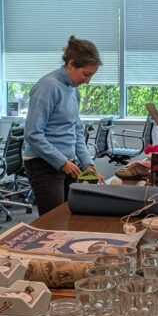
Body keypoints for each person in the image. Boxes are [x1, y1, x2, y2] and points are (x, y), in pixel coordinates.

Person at [22, 36, 104, 216]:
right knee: (54, 221)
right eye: (86, 74)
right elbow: (33, 134)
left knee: (71, 217)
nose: (88, 81)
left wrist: (88, 164)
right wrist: (61, 162)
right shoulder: (48, 87)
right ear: (71, 64)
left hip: (66, 163)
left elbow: (76, 131)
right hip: (43, 164)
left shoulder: (73, 90)